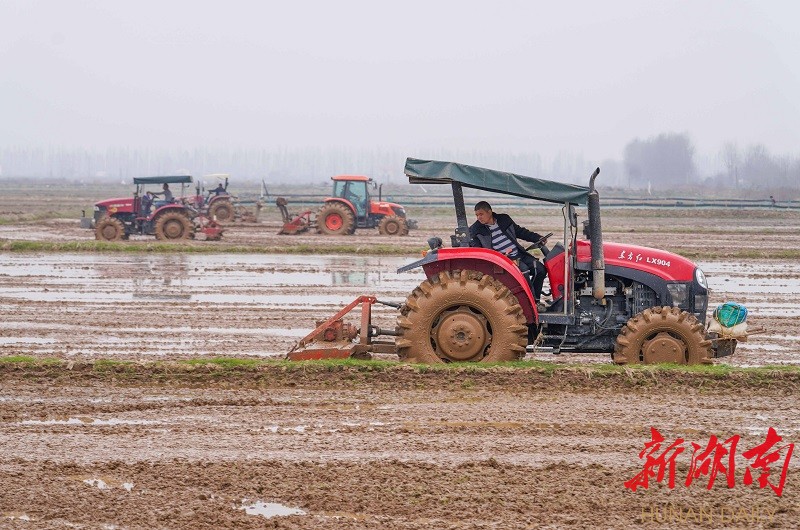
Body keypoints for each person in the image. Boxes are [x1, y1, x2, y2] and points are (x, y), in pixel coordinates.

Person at [469, 201, 547, 303]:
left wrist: (537, 238)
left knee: (540, 269)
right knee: (524, 272)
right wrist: (498, 256)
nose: (479, 217)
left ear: (490, 212)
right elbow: (479, 250)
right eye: (477, 215)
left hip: (519, 254)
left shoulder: (504, 219)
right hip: (505, 259)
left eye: (481, 214)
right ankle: (530, 304)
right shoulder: (475, 230)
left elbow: (520, 231)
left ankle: (535, 300)